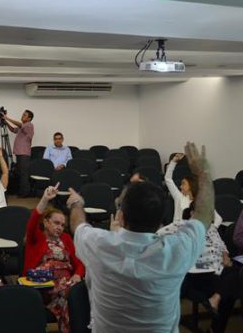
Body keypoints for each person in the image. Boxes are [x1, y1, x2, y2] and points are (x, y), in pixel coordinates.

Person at [67, 142, 214, 332]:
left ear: (121, 217)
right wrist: (204, 173)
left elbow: (78, 225)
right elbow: (204, 214)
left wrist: (77, 203)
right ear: (160, 222)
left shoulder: (98, 243)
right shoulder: (177, 249)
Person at [158, 203, 238, 333]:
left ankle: (215, 304)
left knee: (235, 276)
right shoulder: (181, 225)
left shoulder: (212, 228)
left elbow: (221, 245)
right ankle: (215, 320)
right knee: (229, 289)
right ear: (192, 213)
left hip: (218, 267)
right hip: (197, 269)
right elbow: (158, 236)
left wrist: (225, 255)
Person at [24, 184, 85, 333]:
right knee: (73, 298)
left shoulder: (66, 238)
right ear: (46, 222)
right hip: (45, 285)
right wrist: (45, 199)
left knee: (79, 294)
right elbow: (33, 221)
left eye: (63, 225)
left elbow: (79, 262)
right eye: (56, 223)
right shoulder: (36, 237)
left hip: (67, 283)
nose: (60, 228)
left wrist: (78, 274)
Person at [166, 153, 222, 226]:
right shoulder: (179, 197)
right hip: (177, 231)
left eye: (183, 184)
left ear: (191, 185)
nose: (180, 186)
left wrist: (212, 228)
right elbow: (168, 179)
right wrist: (174, 161)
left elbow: (218, 219)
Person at [3, 109, 34, 197]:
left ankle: (24, 193)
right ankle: (21, 191)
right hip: (19, 153)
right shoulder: (22, 127)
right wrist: (5, 122)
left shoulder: (29, 125)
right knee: (20, 173)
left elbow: (19, 124)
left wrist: (7, 118)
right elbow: (13, 130)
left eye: (24, 115)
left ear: (29, 118)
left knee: (24, 174)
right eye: (22, 114)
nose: (22, 116)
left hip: (24, 154)